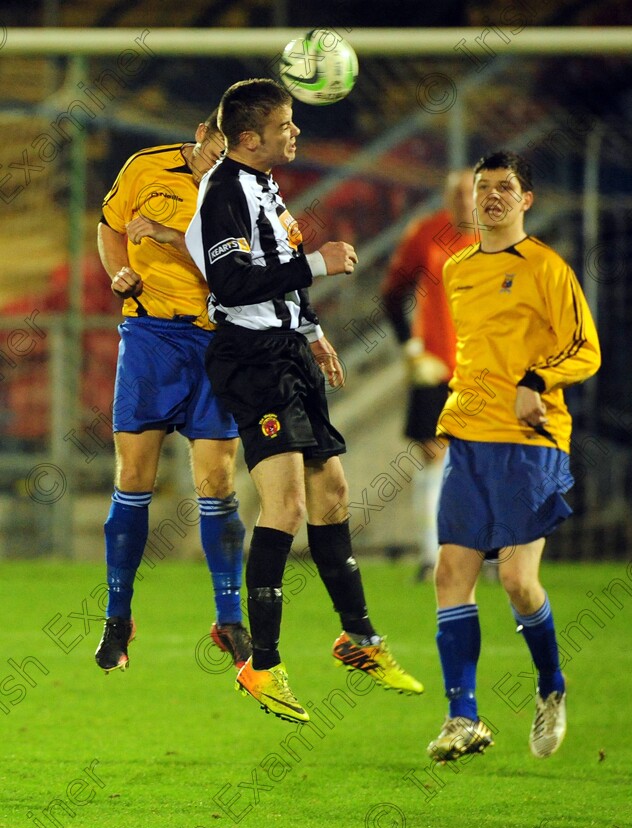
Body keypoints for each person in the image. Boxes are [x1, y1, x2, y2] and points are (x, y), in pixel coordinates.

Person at [185, 78, 424, 724]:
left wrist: (313, 332)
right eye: (285, 125)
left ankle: (359, 640)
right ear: (247, 139)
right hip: (250, 360)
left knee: (333, 495)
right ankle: (261, 666)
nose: (296, 133)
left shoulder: (265, 187)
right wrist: (317, 265)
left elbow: (280, 261)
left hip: (287, 354)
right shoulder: (225, 194)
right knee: (285, 504)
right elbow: (232, 283)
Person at [427, 151, 601, 761]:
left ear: (526, 199)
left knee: (520, 582)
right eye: (483, 188)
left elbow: (586, 350)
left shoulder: (547, 268)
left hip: (531, 443)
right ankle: (462, 718)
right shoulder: (456, 270)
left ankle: (551, 683)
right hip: (472, 439)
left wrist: (534, 379)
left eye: (505, 188)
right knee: (452, 574)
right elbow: (476, 354)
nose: (492, 197)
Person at [94, 110, 252, 675]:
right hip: (151, 337)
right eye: (218, 147)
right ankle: (118, 619)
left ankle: (229, 618)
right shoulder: (145, 167)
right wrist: (119, 271)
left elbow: (237, 276)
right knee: (133, 476)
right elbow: (109, 225)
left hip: (217, 340)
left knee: (217, 480)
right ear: (202, 134)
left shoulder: (241, 192)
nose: (221, 159)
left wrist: (167, 237)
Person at [380, 170, 477, 582]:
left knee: (479, 462)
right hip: (436, 366)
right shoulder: (426, 233)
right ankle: (431, 556)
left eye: (470, 193)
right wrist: (411, 349)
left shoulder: (500, 239)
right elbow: (391, 293)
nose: (463, 202)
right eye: (455, 194)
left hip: (484, 367)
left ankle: (481, 556)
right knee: (435, 457)